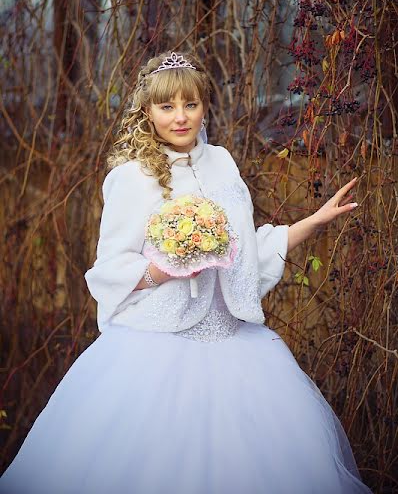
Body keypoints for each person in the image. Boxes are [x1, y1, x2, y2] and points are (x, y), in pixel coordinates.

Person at [0, 51, 372, 494]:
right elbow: (112, 268)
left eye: (190, 104)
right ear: (148, 111)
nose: (181, 117)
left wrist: (312, 223)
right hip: (155, 348)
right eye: (167, 106)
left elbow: (243, 254)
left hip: (235, 346)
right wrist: (166, 269)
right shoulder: (132, 177)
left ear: (203, 106)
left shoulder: (223, 163)